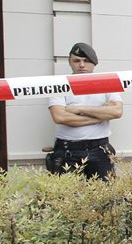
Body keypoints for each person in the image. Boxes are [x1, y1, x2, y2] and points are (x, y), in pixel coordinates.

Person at [47, 42, 123, 179]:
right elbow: (60, 117)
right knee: (65, 198)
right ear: (70, 62)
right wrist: (100, 114)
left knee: (105, 197)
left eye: (86, 61)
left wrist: (79, 109)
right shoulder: (58, 84)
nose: (81, 65)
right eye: (76, 61)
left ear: (94, 63)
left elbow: (117, 112)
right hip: (67, 150)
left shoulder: (107, 82)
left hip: (100, 150)